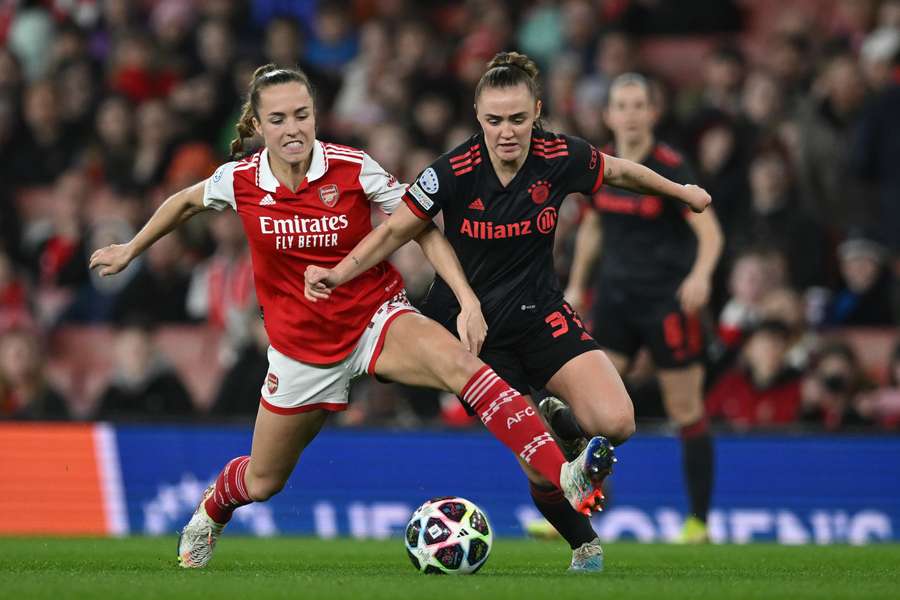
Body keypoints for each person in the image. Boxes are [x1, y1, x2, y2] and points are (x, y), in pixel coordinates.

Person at [89, 64, 614, 570]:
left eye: (302, 114)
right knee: (263, 481)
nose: (293, 128)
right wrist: (131, 249)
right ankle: (211, 511)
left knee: (462, 364)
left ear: (316, 115)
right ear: (255, 125)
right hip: (302, 352)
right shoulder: (241, 181)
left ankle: (564, 473)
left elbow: (420, 225)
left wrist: (466, 298)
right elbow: (183, 202)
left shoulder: (351, 167)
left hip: (375, 319)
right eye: (278, 119)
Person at [305, 53, 711, 570]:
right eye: (494, 120)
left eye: (518, 119)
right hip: (474, 337)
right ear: (478, 116)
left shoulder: (559, 155)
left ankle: (563, 428)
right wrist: (338, 274)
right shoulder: (451, 171)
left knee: (618, 422)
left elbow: (618, 172)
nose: (506, 132)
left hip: (541, 314)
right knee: (543, 470)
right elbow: (392, 232)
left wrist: (681, 193)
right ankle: (584, 545)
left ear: (537, 111)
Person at [564, 73, 723, 544]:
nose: (630, 114)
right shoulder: (599, 165)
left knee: (685, 408)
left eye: (638, 105)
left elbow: (710, 231)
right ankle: (576, 512)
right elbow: (592, 229)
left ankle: (698, 522)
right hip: (614, 298)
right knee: (592, 410)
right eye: (621, 105)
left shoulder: (670, 164)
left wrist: (701, 275)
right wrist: (577, 283)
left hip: (665, 302)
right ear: (608, 114)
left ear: (653, 112)